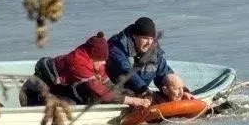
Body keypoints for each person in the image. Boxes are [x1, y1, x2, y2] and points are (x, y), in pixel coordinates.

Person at [20, 32, 151, 109]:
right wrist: (133, 101)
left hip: (55, 90)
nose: (105, 63)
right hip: (32, 95)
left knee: (84, 98)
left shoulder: (96, 62)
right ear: (92, 56)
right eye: (101, 60)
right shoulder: (77, 61)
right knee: (71, 105)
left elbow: (108, 86)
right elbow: (100, 91)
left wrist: (134, 95)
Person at [107, 17, 173, 97]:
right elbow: (125, 70)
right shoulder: (116, 47)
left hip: (141, 93)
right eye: (145, 38)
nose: (149, 43)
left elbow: (164, 73)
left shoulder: (154, 51)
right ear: (134, 36)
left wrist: (180, 89)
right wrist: (142, 89)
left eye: (151, 39)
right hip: (116, 94)